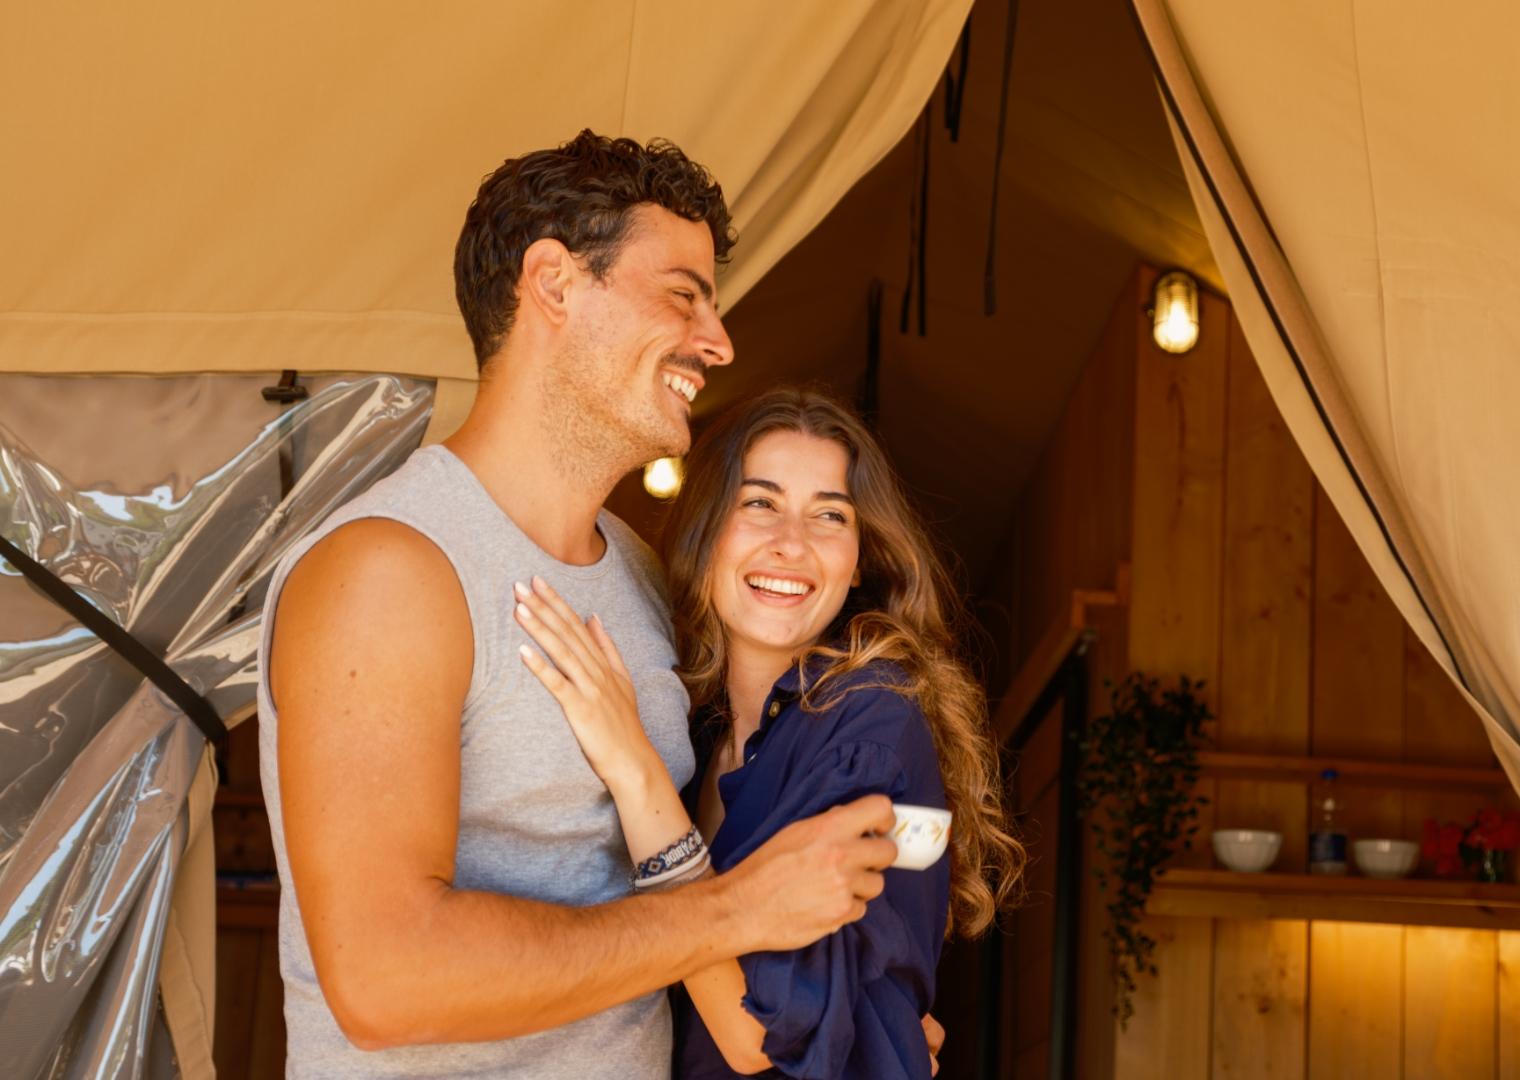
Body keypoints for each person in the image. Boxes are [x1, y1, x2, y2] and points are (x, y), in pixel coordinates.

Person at [258, 132, 901, 1079]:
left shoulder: (646, 577)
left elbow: (679, 883)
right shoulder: (388, 570)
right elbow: (384, 980)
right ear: (553, 284)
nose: (718, 342)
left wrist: (854, 1016)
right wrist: (738, 909)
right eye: (684, 294)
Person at [511, 388, 1026, 1078]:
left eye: (830, 515)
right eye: (760, 503)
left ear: (859, 558)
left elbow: (759, 1035)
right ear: (706, 529)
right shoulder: (697, 728)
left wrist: (635, 775)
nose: (792, 543)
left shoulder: (867, 721)